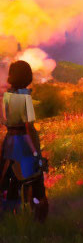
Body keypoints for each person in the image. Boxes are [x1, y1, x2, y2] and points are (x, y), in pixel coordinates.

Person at [0, 61, 48, 221]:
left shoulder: (7, 96)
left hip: (9, 141)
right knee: (36, 179)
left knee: (10, 178)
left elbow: (5, 120)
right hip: (23, 142)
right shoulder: (24, 97)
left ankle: (10, 215)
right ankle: (38, 217)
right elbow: (28, 126)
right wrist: (36, 152)